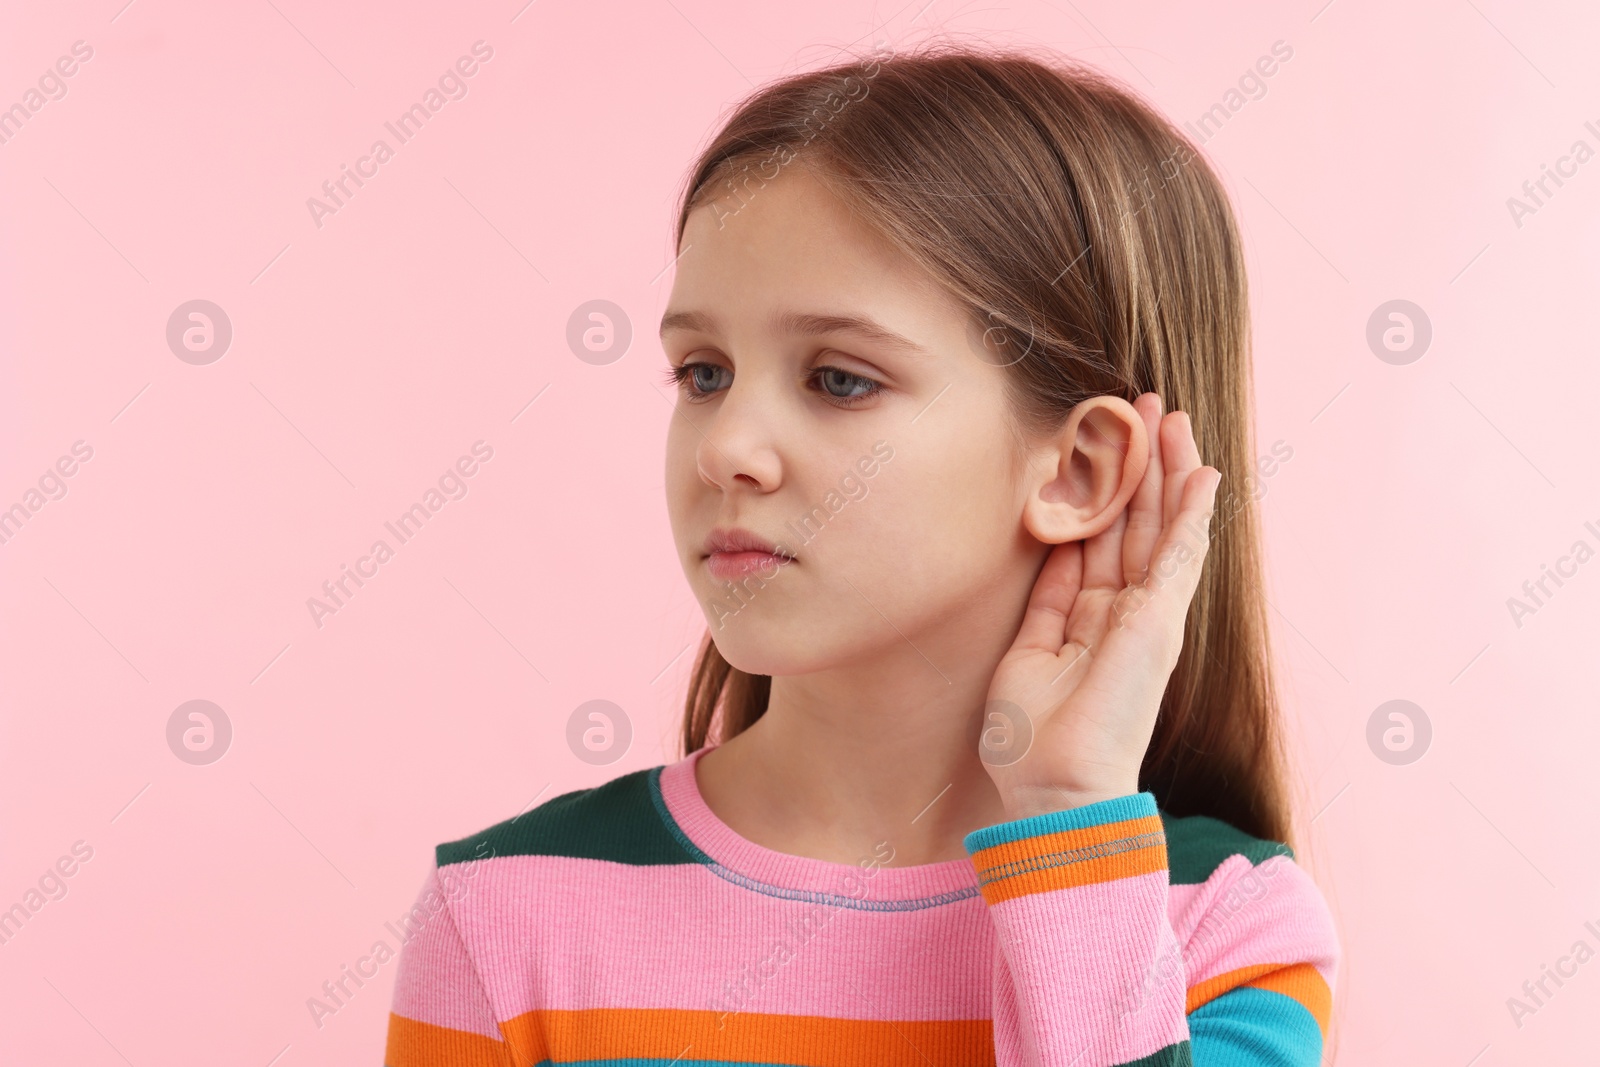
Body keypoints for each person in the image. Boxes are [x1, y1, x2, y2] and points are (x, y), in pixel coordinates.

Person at [383, 41, 1339, 1067]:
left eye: (839, 380)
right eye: (702, 371)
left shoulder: (1224, 929)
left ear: (1077, 469)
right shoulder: (503, 910)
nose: (725, 448)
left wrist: (1068, 817)